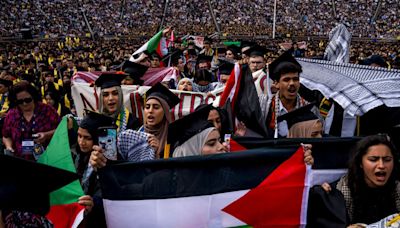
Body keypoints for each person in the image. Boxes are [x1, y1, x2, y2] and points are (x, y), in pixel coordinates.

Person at [310, 135, 400, 226]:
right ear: (360, 163)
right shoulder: (337, 194)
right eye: (373, 160)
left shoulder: (397, 189)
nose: (381, 165)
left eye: (387, 160)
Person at [2, 81, 60, 161]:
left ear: (34, 97)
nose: (24, 103)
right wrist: (9, 147)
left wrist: (46, 135)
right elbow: (6, 136)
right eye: (20, 101)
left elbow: (61, 130)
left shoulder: (47, 110)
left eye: (28, 100)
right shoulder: (11, 115)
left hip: (47, 159)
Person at [263, 50, 309, 138]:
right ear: (276, 83)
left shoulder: (309, 109)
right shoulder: (264, 107)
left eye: (295, 79)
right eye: (286, 79)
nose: (292, 83)